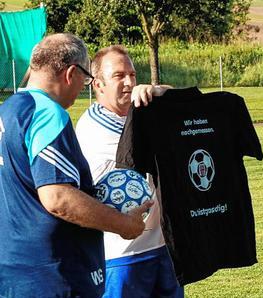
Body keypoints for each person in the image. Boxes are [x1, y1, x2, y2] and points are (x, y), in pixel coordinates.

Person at [0, 34, 151, 297]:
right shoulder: (47, 114)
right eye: (85, 77)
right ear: (71, 73)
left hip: (13, 268)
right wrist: (123, 224)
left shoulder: (8, 109)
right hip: (53, 273)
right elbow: (58, 197)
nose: (85, 85)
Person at [75, 45, 184, 298]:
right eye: (118, 76)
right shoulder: (97, 126)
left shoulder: (137, 116)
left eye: (132, 75)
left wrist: (158, 92)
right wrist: (158, 106)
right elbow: (152, 142)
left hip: (164, 246)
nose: (129, 82)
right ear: (97, 85)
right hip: (123, 255)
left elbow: (182, 108)